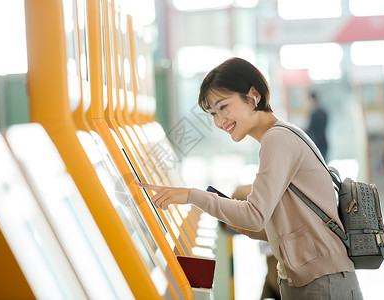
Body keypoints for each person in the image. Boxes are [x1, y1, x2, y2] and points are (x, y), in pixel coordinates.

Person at [139, 57, 363, 299]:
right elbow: (278, 228)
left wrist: (191, 196)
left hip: (322, 284)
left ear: (253, 95)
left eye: (223, 107)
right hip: (315, 279)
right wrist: (231, 215)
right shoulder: (280, 136)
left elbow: (255, 217)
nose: (219, 121)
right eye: (213, 113)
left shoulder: (276, 139)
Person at [305, 91, 328, 160]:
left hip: (317, 145)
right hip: (324, 143)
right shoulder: (324, 113)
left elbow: (310, 130)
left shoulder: (314, 114)